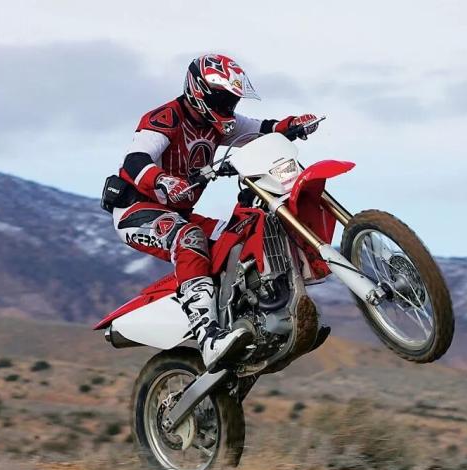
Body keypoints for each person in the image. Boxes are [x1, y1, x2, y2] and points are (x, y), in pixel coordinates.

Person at [109, 54, 319, 370]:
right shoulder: (165, 118)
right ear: (200, 92)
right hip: (137, 210)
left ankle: (253, 316)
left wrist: (291, 125)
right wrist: (163, 179)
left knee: (239, 235)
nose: (229, 107)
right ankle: (208, 339)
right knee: (189, 238)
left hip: (179, 213)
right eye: (223, 99)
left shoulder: (217, 124)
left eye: (232, 100)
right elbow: (135, 160)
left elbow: (261, 129)